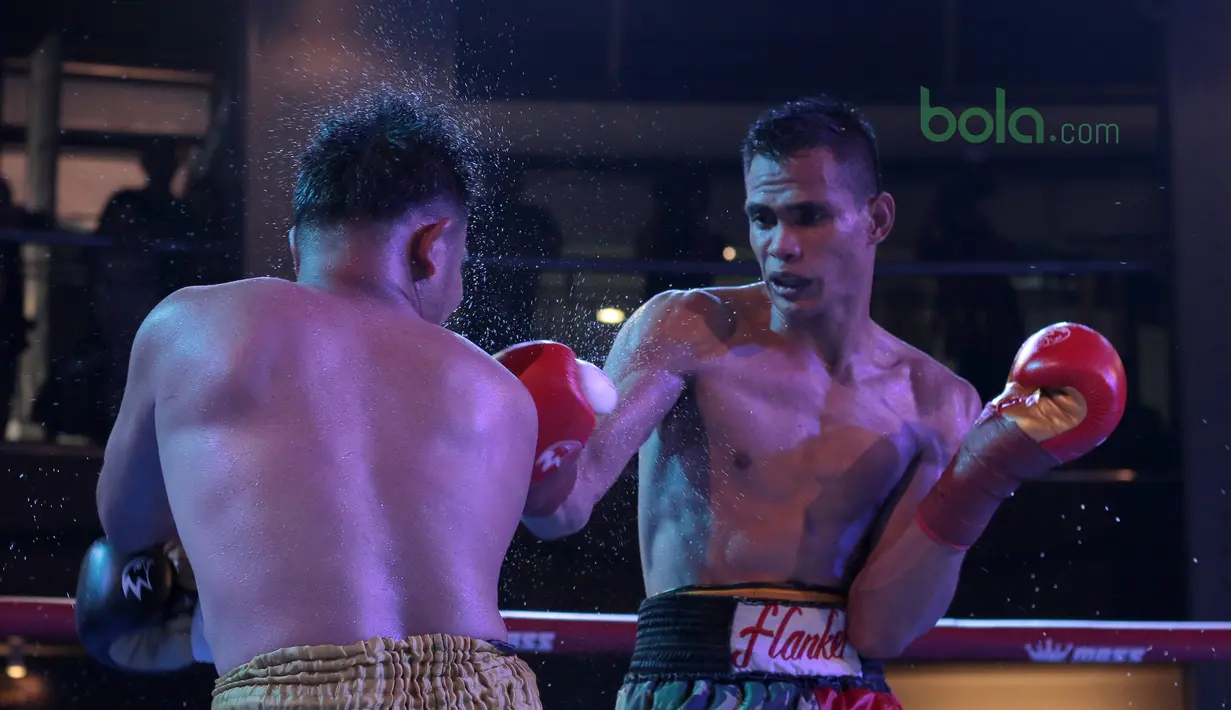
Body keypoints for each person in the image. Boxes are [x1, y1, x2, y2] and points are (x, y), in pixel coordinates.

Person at [515, 97, 1128, 709]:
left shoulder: (935, 399)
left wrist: (985, 475)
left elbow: (880, 630)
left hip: (849, 689)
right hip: (695, 682)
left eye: (809, 216)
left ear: (877, 219)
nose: (780, 244)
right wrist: (524, 429)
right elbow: (562, 508)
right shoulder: (687, 328)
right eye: (762, 217)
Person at [71, 92, 603, 709]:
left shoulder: (189, 326)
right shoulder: (497, 391)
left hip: (289, 691)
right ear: (433, 243)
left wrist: (203, 617)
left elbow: (127, 525)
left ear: (299, 244)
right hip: (488, 689)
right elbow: (545, 516)